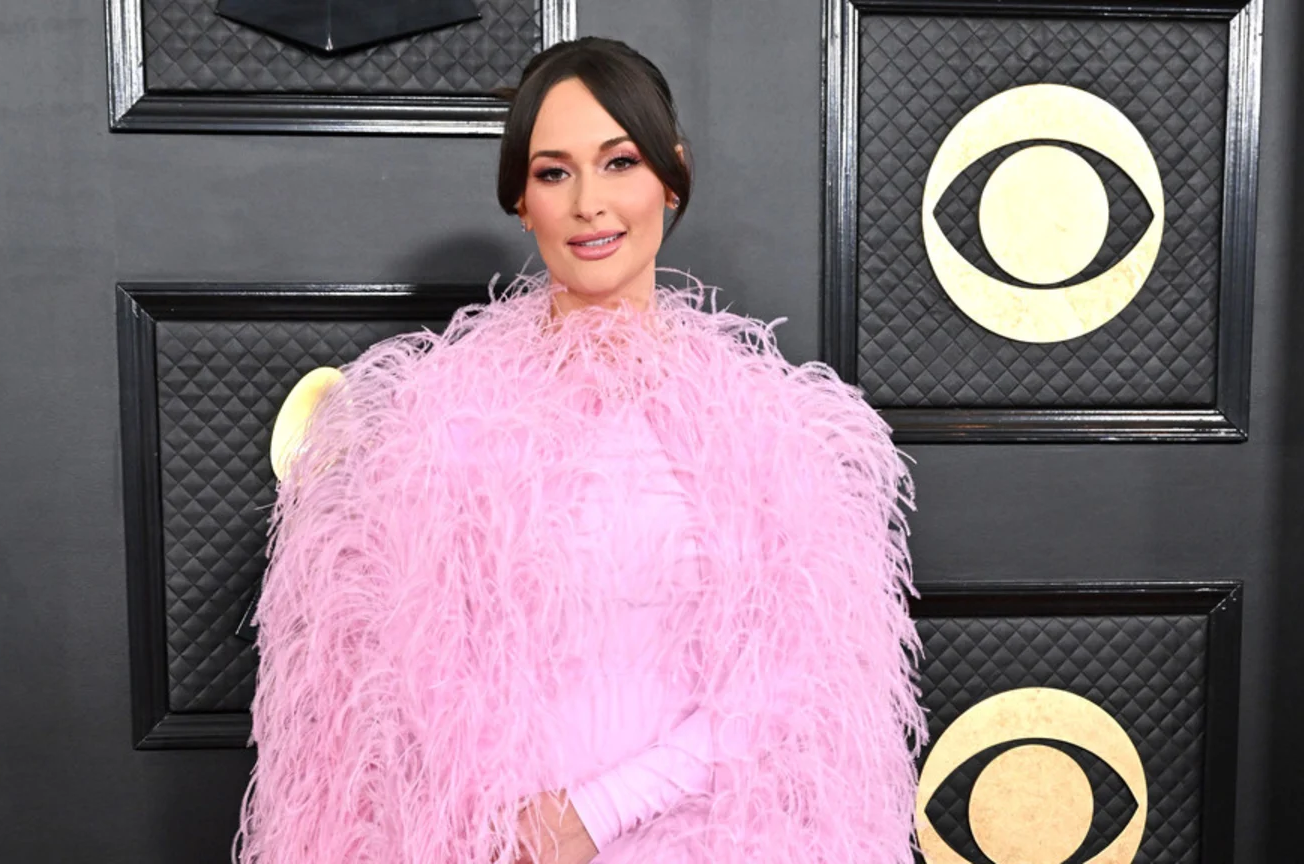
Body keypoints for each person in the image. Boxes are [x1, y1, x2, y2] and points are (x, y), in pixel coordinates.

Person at [234, 36, 927, 864]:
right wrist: (505, 827)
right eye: (554, 173)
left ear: (671, 179)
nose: (590, 203)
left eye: (619, 162)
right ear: (521, 202)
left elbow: (795, 677)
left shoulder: (767, 425)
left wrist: (596, 814)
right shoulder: (436, 422)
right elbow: (390, 684)